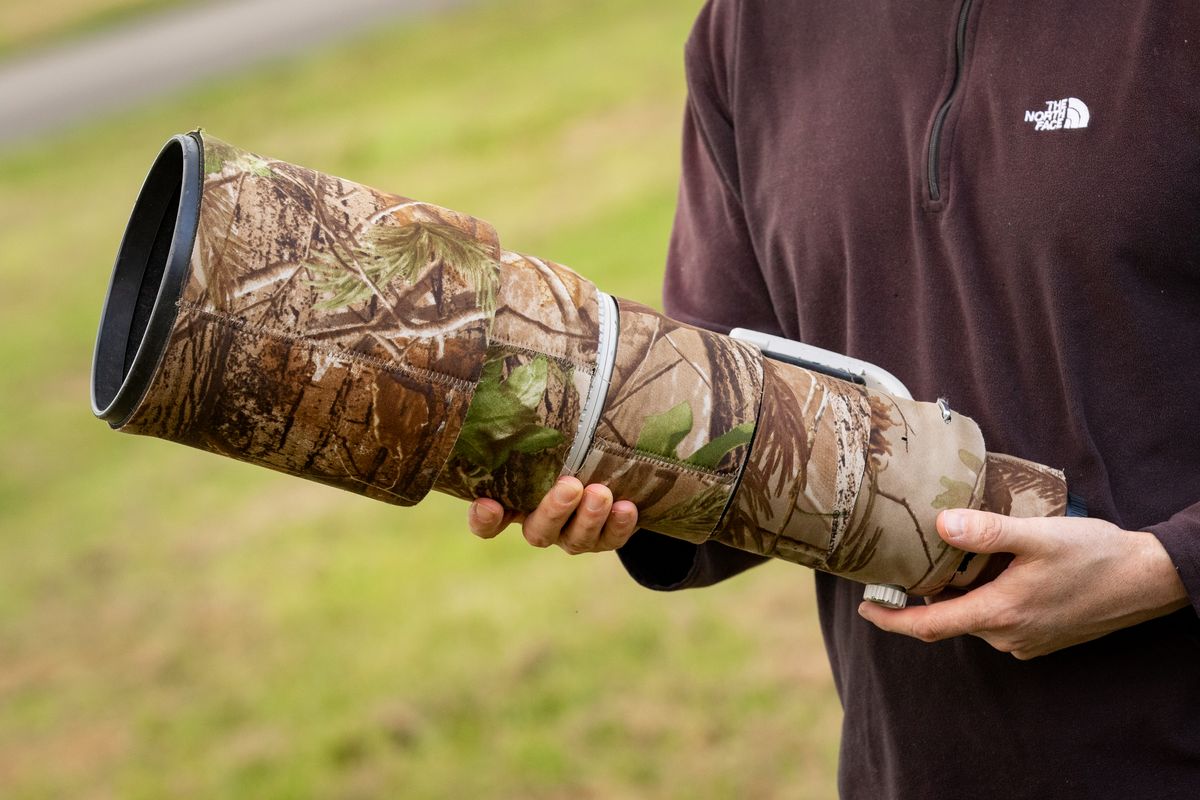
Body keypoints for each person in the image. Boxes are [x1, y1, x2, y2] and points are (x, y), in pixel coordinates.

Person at [467, 1, 1200, 796]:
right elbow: (741, 422)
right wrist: (615, 478)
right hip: (909, 770)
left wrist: (1167, 568)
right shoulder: (750, 28)